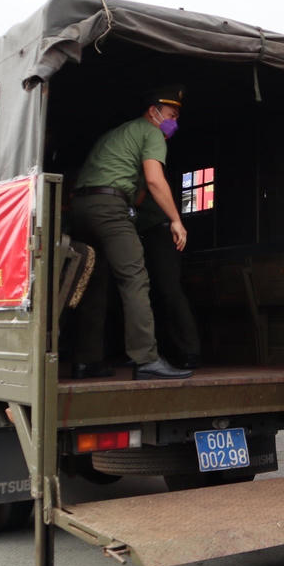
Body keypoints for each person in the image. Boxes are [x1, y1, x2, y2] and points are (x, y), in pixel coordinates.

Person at [71, 86, 192, 380]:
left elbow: (136, 195)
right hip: (109, 208)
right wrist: (176, 219)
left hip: (81, 209)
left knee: (94, 281)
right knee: (135, 279)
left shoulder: (119, 134)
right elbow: (154, 180)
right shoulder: (151, 133)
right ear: (154, 112)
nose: (174, 121)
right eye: (171, 115)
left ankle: (87, 361)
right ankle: (147, 359)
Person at [136, 192, 201, 369]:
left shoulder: (146, 168)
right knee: (149, 292)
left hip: (159, 228)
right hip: (143, 230)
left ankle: (189, 350)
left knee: (169, 289)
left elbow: (138, 196)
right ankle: (162, 351)